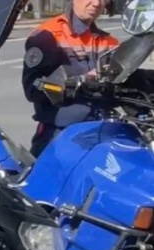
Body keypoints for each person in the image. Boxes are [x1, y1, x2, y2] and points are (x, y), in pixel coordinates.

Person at [21, 0, 118, 156]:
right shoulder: (47, 36)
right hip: (60, 135)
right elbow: (33, 88)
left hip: (102, 131)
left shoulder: (108, 42)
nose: (96, 3)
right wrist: (80, 81)